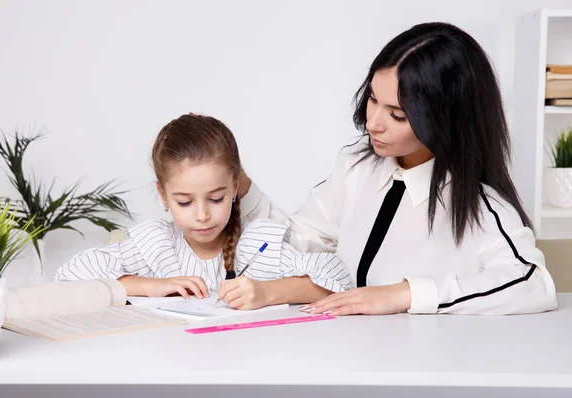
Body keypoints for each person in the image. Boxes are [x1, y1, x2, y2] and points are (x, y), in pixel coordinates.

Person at [238, 22, 558, 316]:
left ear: (446, 119)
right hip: (342, 348)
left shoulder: (478, 203)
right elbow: (299, 239)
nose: (373, 123)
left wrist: (405, 294)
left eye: (397, 115)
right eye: (373, 99)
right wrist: (240, 187)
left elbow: (532, 283)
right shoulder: (356, 165)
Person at [55, 114, 352, 310]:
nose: (202, 215)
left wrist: (267, 292)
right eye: (185, 202)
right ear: (163, 195)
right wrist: (152, 286)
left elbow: (337, 276)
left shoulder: (259, 244)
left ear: (235, 188)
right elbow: (70, 274)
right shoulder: (156, 244)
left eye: (216, 198)